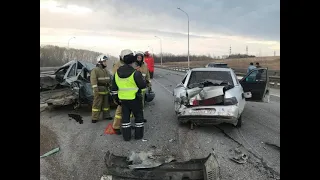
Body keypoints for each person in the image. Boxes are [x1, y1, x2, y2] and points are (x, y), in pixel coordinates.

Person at [111, 49, 147, 141]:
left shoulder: (116, 74)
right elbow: (143, 85)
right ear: (132, 61)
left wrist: (117, 100)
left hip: (123, 100)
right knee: (138, 118)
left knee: (125, 119)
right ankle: (138, 136)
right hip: (135, 99)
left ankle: (126, 137)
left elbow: (114, 89)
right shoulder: (135, 73)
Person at [90, 55, 112, 123]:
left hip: (105, 89)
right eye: (104, 61)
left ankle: (106, 115)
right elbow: (93, 80)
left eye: (106, 61)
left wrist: (111, 86)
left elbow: (110, 79)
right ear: (100, 62)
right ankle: (94, 117)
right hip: (99, 90)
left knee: (106, 104)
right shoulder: (95, 70)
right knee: (97, 104)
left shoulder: (106, 70)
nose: (106, 63)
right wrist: (95, 89)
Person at [111, 53, 126, 135]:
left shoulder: (131, 64)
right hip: (122, 92)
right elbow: (115, 79)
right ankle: (116, 127)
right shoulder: (117, 65)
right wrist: (115, 95)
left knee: (129, 112)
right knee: (119, 111)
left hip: (130, 93)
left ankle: (126, 125)